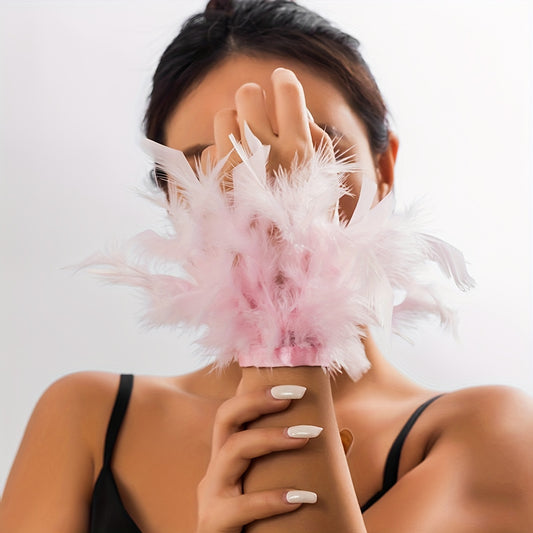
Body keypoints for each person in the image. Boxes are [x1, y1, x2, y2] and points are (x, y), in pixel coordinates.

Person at [1, 1, 533, 532]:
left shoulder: (490, 433)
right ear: (171, 200)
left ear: (383, 167)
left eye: (313, 152)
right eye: (216, 169)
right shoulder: (88, 418)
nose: (263, 194)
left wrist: (287, 300)